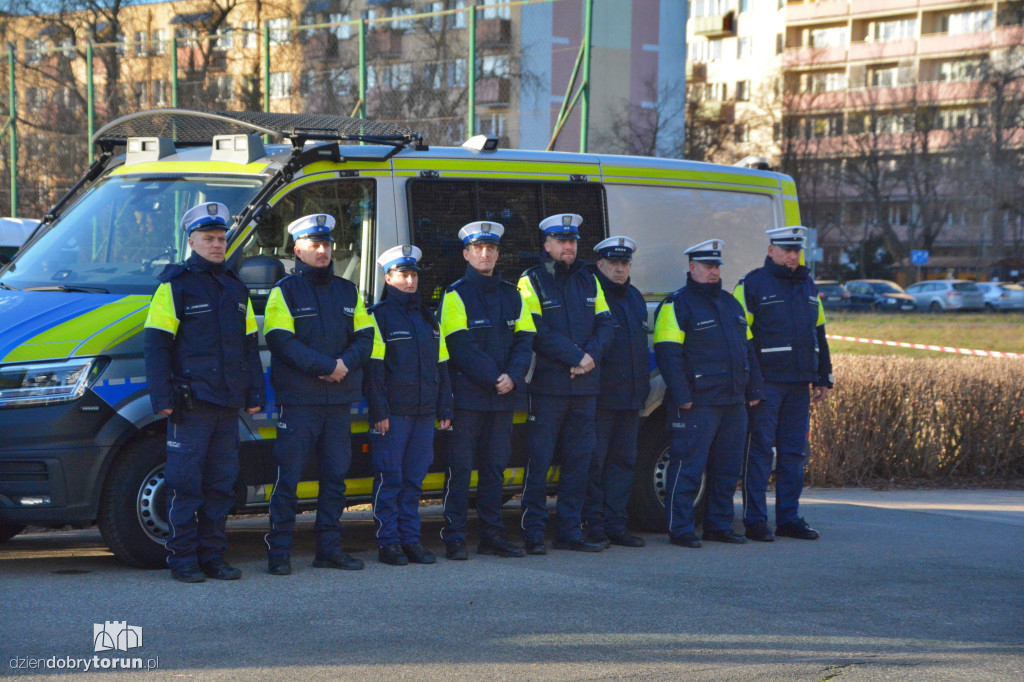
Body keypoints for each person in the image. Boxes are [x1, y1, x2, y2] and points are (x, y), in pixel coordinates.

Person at [143, 202, 264, 583]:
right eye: (209, 238)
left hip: (227, 404)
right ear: (191, 241)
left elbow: (249, 347)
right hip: (190, 406)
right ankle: (182, 560)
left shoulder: (234, 287)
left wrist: (254, 394)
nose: (217, 245)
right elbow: (157, 345)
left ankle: (213, 557)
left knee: (220, 485)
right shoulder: (174, 286)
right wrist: (161, 399)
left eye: (221, 238)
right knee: (185, 485)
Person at [262, 214, 374, 576]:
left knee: (335, 480)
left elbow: (365, 337)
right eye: (314, 245)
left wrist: (343, 364)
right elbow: (281, 340)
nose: (323, 250)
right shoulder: (284, 292)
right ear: (298, 250)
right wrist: (327, 366)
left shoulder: (348, 291)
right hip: (299, 403)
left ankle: (330, 548)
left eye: (326, 244)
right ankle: (279, 551)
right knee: (289, 480)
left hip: (338, 403)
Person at [653, 239, 763, 548]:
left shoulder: (732, 304)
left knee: (727, 470)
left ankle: (719, 525)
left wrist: (754, 387)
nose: (713, 272)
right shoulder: (677, 304)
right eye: (706, 267)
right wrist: (681, 394)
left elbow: (748, 350)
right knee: (688, 466)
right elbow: (668, 353)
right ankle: (681, 529)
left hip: (733, 402)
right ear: (692, 268)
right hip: (697, 402)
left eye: (716, 267)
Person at [438, 221, 536, 560]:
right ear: (466, 254)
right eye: (479, 249)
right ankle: (454, 536)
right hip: (468, 400)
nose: (486, 254)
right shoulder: (455, 295)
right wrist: (498, 377)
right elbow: (459, 346)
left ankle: (492, 535)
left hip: (502, 399)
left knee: (495, 469)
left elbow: (525, 340)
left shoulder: (513, 295)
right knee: (461, 470)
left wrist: (513, 374)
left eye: (491, 249)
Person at [517, 213, 615, 554]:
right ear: (547, 245)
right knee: (539, 461)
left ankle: (570, 531)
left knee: (580, 461)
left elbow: (606, 324)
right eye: (561, 241)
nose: (569, 246)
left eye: (572, 241)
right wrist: (577, 357)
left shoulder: (590, 280)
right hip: (548, 388)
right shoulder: (530, 280)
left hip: (585, 388)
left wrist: (589, 357)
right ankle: (532, 531)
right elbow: (536, 332)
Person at [734, 226, 833, 542]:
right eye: (786, 249)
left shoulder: (807, 284)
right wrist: (752, 383)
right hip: (767, 385)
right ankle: (755, 520)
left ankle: (788, 518)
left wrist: (823, 376)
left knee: (793, 455)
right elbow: (740, 340)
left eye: (797, 250)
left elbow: (819, 333)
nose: (793, 256)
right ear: (771, 250)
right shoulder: (751, 285)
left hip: (799, 385)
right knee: (760, 453)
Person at [364, 245, 454, 566]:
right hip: (394, 415)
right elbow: (373, 371)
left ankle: (411, 540)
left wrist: (444, 409)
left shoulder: (428, 317)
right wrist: (379, 412)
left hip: (423, 413)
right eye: (403, 274)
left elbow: (441, 366)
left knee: (414, 480)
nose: (410, 280)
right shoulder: (378, 317)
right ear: (388, 278)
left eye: (413, 274)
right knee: (391, 478)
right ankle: (388, 543)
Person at [581, 236, 650, 548]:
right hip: (601, 396)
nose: (620, 269)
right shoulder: (591, 295)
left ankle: (616, 525)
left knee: (623, 463)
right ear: (600, 265)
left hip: (631, 397)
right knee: (594, 464)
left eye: (624, 263)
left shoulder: (634, 297)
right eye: (613, 263)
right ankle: (593, 524)